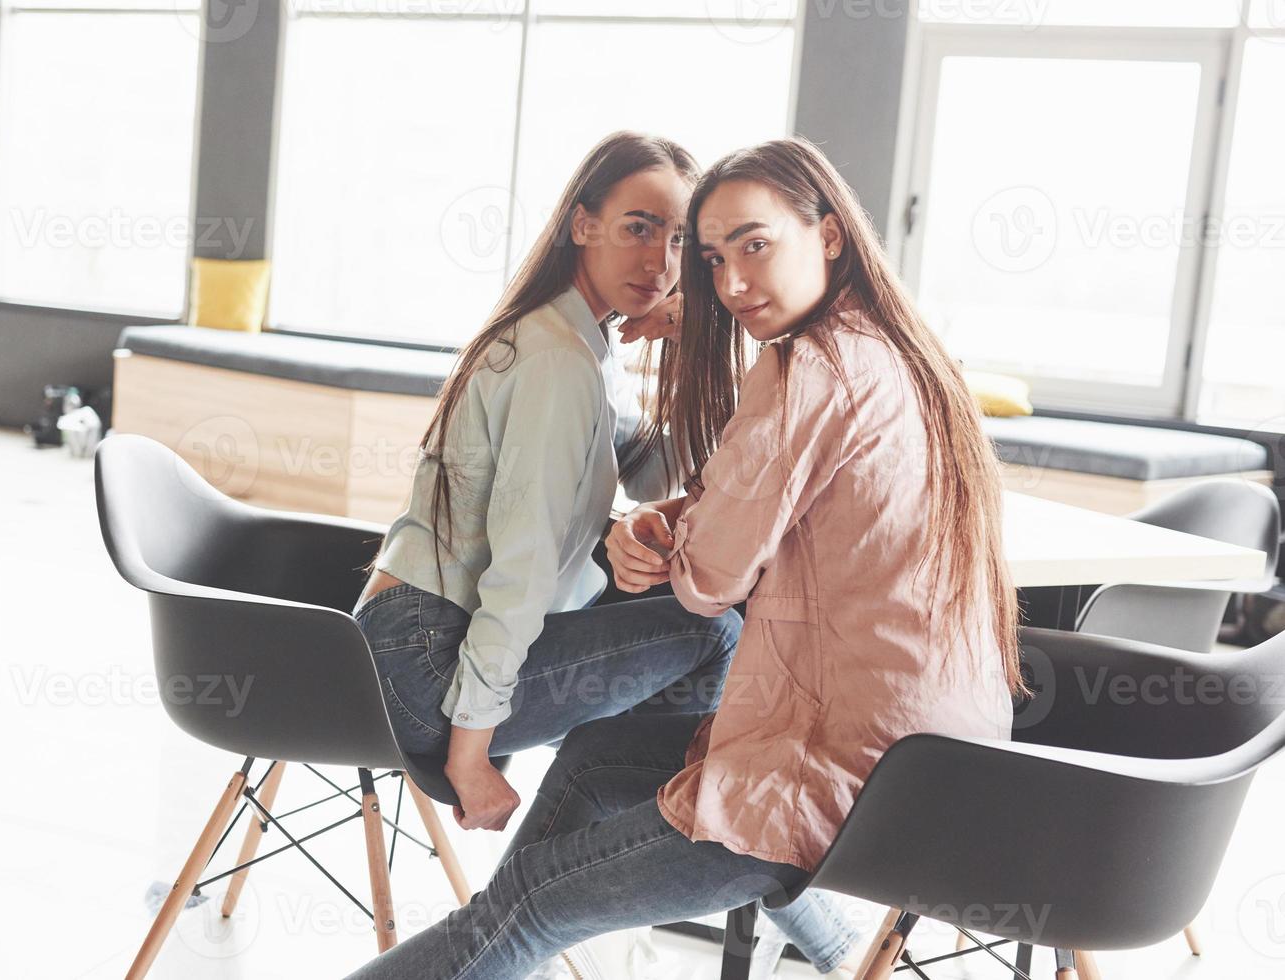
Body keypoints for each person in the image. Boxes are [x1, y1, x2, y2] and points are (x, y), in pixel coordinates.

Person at [344, 135, 1022, 980]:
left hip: (834, 767)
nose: (706, 275)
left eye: (745, 245)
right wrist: (470, 756)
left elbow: (701, 542)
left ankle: (577, 915)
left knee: (529, 897)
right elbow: (579, 553)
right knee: (583, 805)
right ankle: (787, 933)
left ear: (832, 235)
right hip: (919, 758)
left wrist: (661, 504)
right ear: (580, 225)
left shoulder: (790, 364)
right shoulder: (888, 349)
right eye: (694, 250)